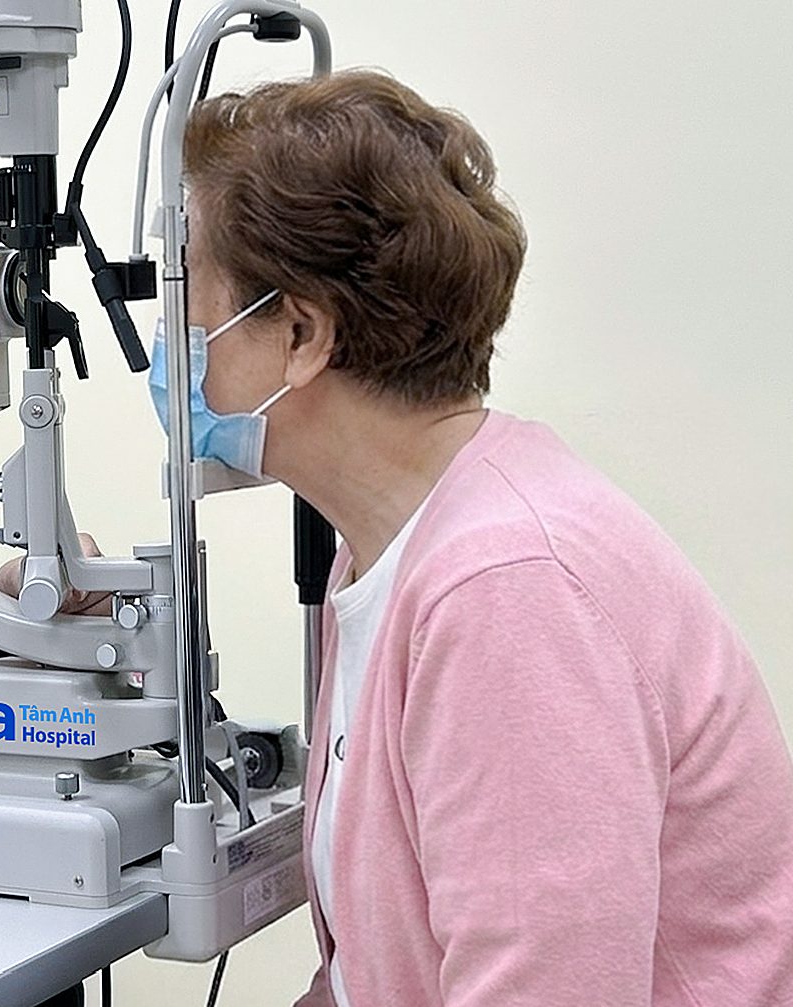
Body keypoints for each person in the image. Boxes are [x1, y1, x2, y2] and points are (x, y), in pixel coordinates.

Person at [165, 69, 793, 1005]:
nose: (175, 336)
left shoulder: (506, 590)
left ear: (298, 333)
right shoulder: (386, 548)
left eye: (193, 297)